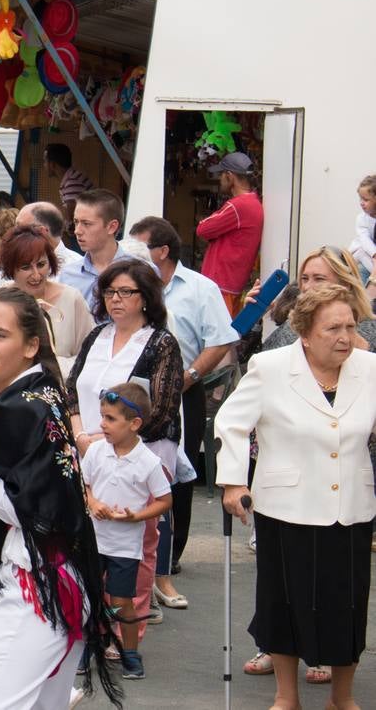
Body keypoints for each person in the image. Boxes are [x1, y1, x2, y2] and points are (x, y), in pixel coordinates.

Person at [0, 287, 120, 708]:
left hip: (36, 587)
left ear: (31, 346)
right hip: (58, 579)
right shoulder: (39, 392)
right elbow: (34, 485)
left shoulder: (19, 405)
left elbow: (29, 508)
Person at [218, 284, 376, 710]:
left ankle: (341, 697)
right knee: (282, 602)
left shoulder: (370, 368)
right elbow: (231, 422)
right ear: (305, 332)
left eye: (350, 326)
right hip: (285, 506)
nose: (345, 336)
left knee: (348, 605)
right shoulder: (270, 367)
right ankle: (287, 696)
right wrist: (234, 481)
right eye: (333, 328)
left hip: (352, 508)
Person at [66, 259, 183, 630]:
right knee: (93, 536)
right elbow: (71, 389)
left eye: (126, 292)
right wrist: (83, 436)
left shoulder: (160, 343)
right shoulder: (97, 335)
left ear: (146, 297)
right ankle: (96, 625)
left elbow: (162, 408)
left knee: (138, 544)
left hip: (141, 454)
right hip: (89, 450)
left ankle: (130, 626)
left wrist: (105, 439)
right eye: (110, 291)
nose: (115, 299)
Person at [128, 216, 238, 574]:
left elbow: (220, 340)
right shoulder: (126, 287)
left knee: (179, 468)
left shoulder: (199, 287)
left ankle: (171, 552)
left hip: (183, 390)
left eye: (141, 246)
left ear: (162, 251)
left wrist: (188, 376)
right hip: (131, 393)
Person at [77, 381, 173, 680]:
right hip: (94, 541)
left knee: (121, 603)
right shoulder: (95, 452)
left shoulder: (148, 462)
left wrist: (138, 516)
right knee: (89, 597)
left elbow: (165, 500)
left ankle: (130, 652)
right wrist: (92, 502)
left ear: (134, 424)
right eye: (102, 417)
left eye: (110, 419)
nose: (102, 424)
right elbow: (83, 485)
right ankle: (88, 647)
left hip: (124, 547)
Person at [0, 224, 94, 366]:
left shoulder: (72, 298)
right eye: (26, 267)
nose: (36, 274)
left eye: (41, 264)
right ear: (11, 269)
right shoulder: (0, 302)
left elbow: (90, 355)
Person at [259, 246, 376, 351]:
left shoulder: (369, 330)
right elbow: (257, 366)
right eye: (305, 279)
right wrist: (254, 323)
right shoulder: (295, 324)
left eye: (319, 279)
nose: (307, 287)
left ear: (345, 284)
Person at [196, 151, 263, 314]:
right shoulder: (253, 202)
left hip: (221, 287)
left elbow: (203, 229)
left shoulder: (238, 205)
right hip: (230, 285)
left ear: (230, 176)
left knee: (217, 337)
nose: (220, 180)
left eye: (221, 175)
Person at [57, 189, 139, 307]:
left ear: (112, 227)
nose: (77, 231)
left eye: (86, 224)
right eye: (76, 222)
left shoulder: (141, 273)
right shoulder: (68, 275)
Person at [16, 201, 82, 273]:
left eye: (20, 229)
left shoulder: (78, 269)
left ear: (41, 232)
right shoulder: (14, 263)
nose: (14, 234)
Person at [44, 143, 94, 226]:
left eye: (45, 161)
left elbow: (71, 219)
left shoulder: (72, 182)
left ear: (52, 164)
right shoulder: (72, 178)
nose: (44, 165)